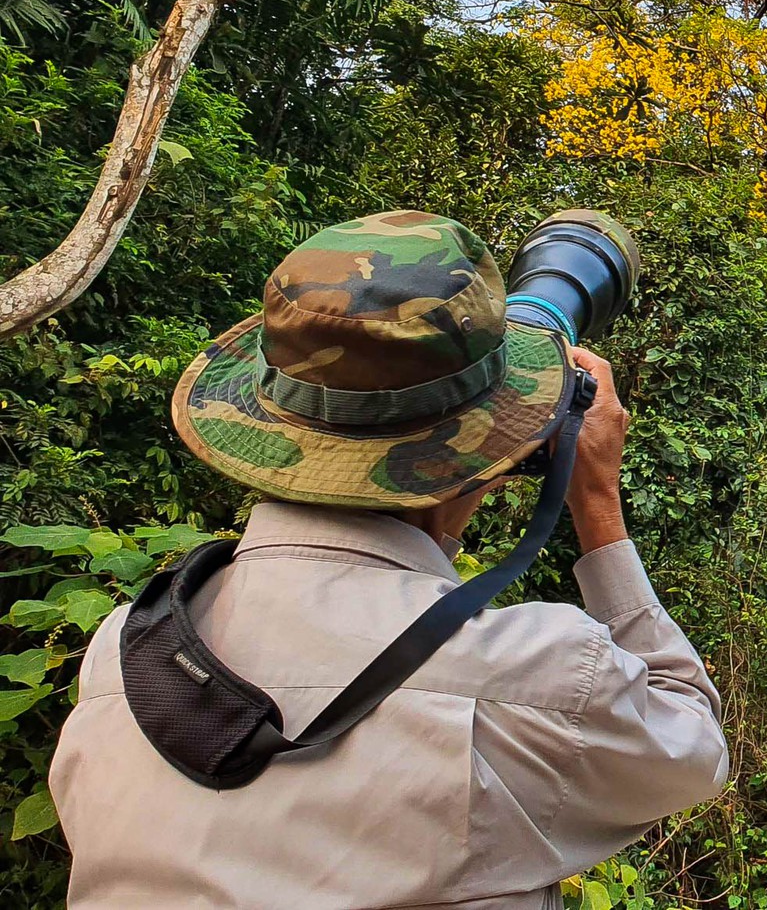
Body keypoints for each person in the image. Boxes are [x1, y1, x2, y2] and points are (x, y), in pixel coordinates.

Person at [50, 212, 729, 908]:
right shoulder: (535, 676)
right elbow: (695, 747)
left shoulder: (123, 656)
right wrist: (596, 502)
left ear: (268, 417)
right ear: (485, 453)